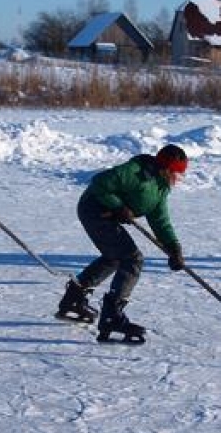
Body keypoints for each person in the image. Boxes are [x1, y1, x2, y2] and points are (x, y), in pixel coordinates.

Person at [56, 144, 188, 343]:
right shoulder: (134, 172)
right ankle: (111, 316)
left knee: (114, 257)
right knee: (132, 258)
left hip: (109, 216)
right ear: (165, 168)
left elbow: (159, 219)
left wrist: (173, 247)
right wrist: (118, 206)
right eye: (176, 173)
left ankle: (74, 298)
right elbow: (99, 182)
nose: (178, 179)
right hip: (95, 211)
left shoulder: (160, 187)